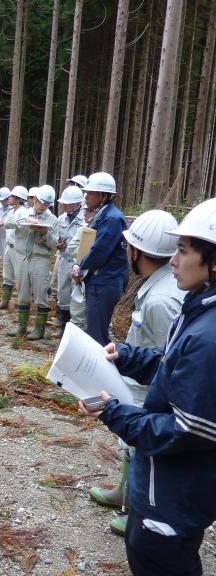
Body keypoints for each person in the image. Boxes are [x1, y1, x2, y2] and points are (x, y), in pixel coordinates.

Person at [78, 198, 216, 576]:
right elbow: (173, 368)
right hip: (165, 483)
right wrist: (130, 357)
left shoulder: (208, 335)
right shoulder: (199, 310)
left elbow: (188, 430)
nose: (172, 260)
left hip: (171, 491)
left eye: (184, 250)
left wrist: (114, 412)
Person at [89, 209, 185, 536]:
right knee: (129, 444)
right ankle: (125, 494)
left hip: (149, 391)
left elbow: (165, 361)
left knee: (141, 446)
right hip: (138, 381)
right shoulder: (159, 287)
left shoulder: (162, 300)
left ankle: (138, 510)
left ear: (136, 252)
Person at [72, 172, 128, 345]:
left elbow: (99, 251)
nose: (86, 197)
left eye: (91, 193)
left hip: (105, 281)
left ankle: (96, 369)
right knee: (95, 329)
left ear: (103, 196)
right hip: (100, 280)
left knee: (97, 334)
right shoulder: (104, 214)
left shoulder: (112, 219)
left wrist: (80, 267)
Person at [10, 185, 58, 340]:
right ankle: (22, 327)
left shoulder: (52, 220)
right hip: (22, 256)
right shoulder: (23, 212)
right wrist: (23, 221)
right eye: (42, 202)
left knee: (41, 293)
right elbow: (7, 222)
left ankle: (39, 329)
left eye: (47, 204)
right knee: (22, 293)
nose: (43, 206)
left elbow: (54, 245)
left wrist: (44, 233)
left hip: (40, 258)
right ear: (35, 199)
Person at [52, 186, 86, 335]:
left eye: (67, 203)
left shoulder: (85, 220)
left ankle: (73, 328)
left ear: (77, 204)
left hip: (78, 263)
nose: (64, 205)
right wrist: (58, 244)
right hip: (64, 259)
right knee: (63, 293)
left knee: (76, 295)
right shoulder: (61, 219)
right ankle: (62, 324)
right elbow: (55, 237)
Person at [0, 185, 30, 310]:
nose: (9, 198)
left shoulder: (24, 212)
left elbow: (15, 225)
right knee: (7, 275)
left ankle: (23, 301)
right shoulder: (12, 211)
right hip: (9, 246)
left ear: (18, 199)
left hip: (19, 249)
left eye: (12, 196)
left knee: (20, 276)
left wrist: (5, 223)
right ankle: (4, 301)